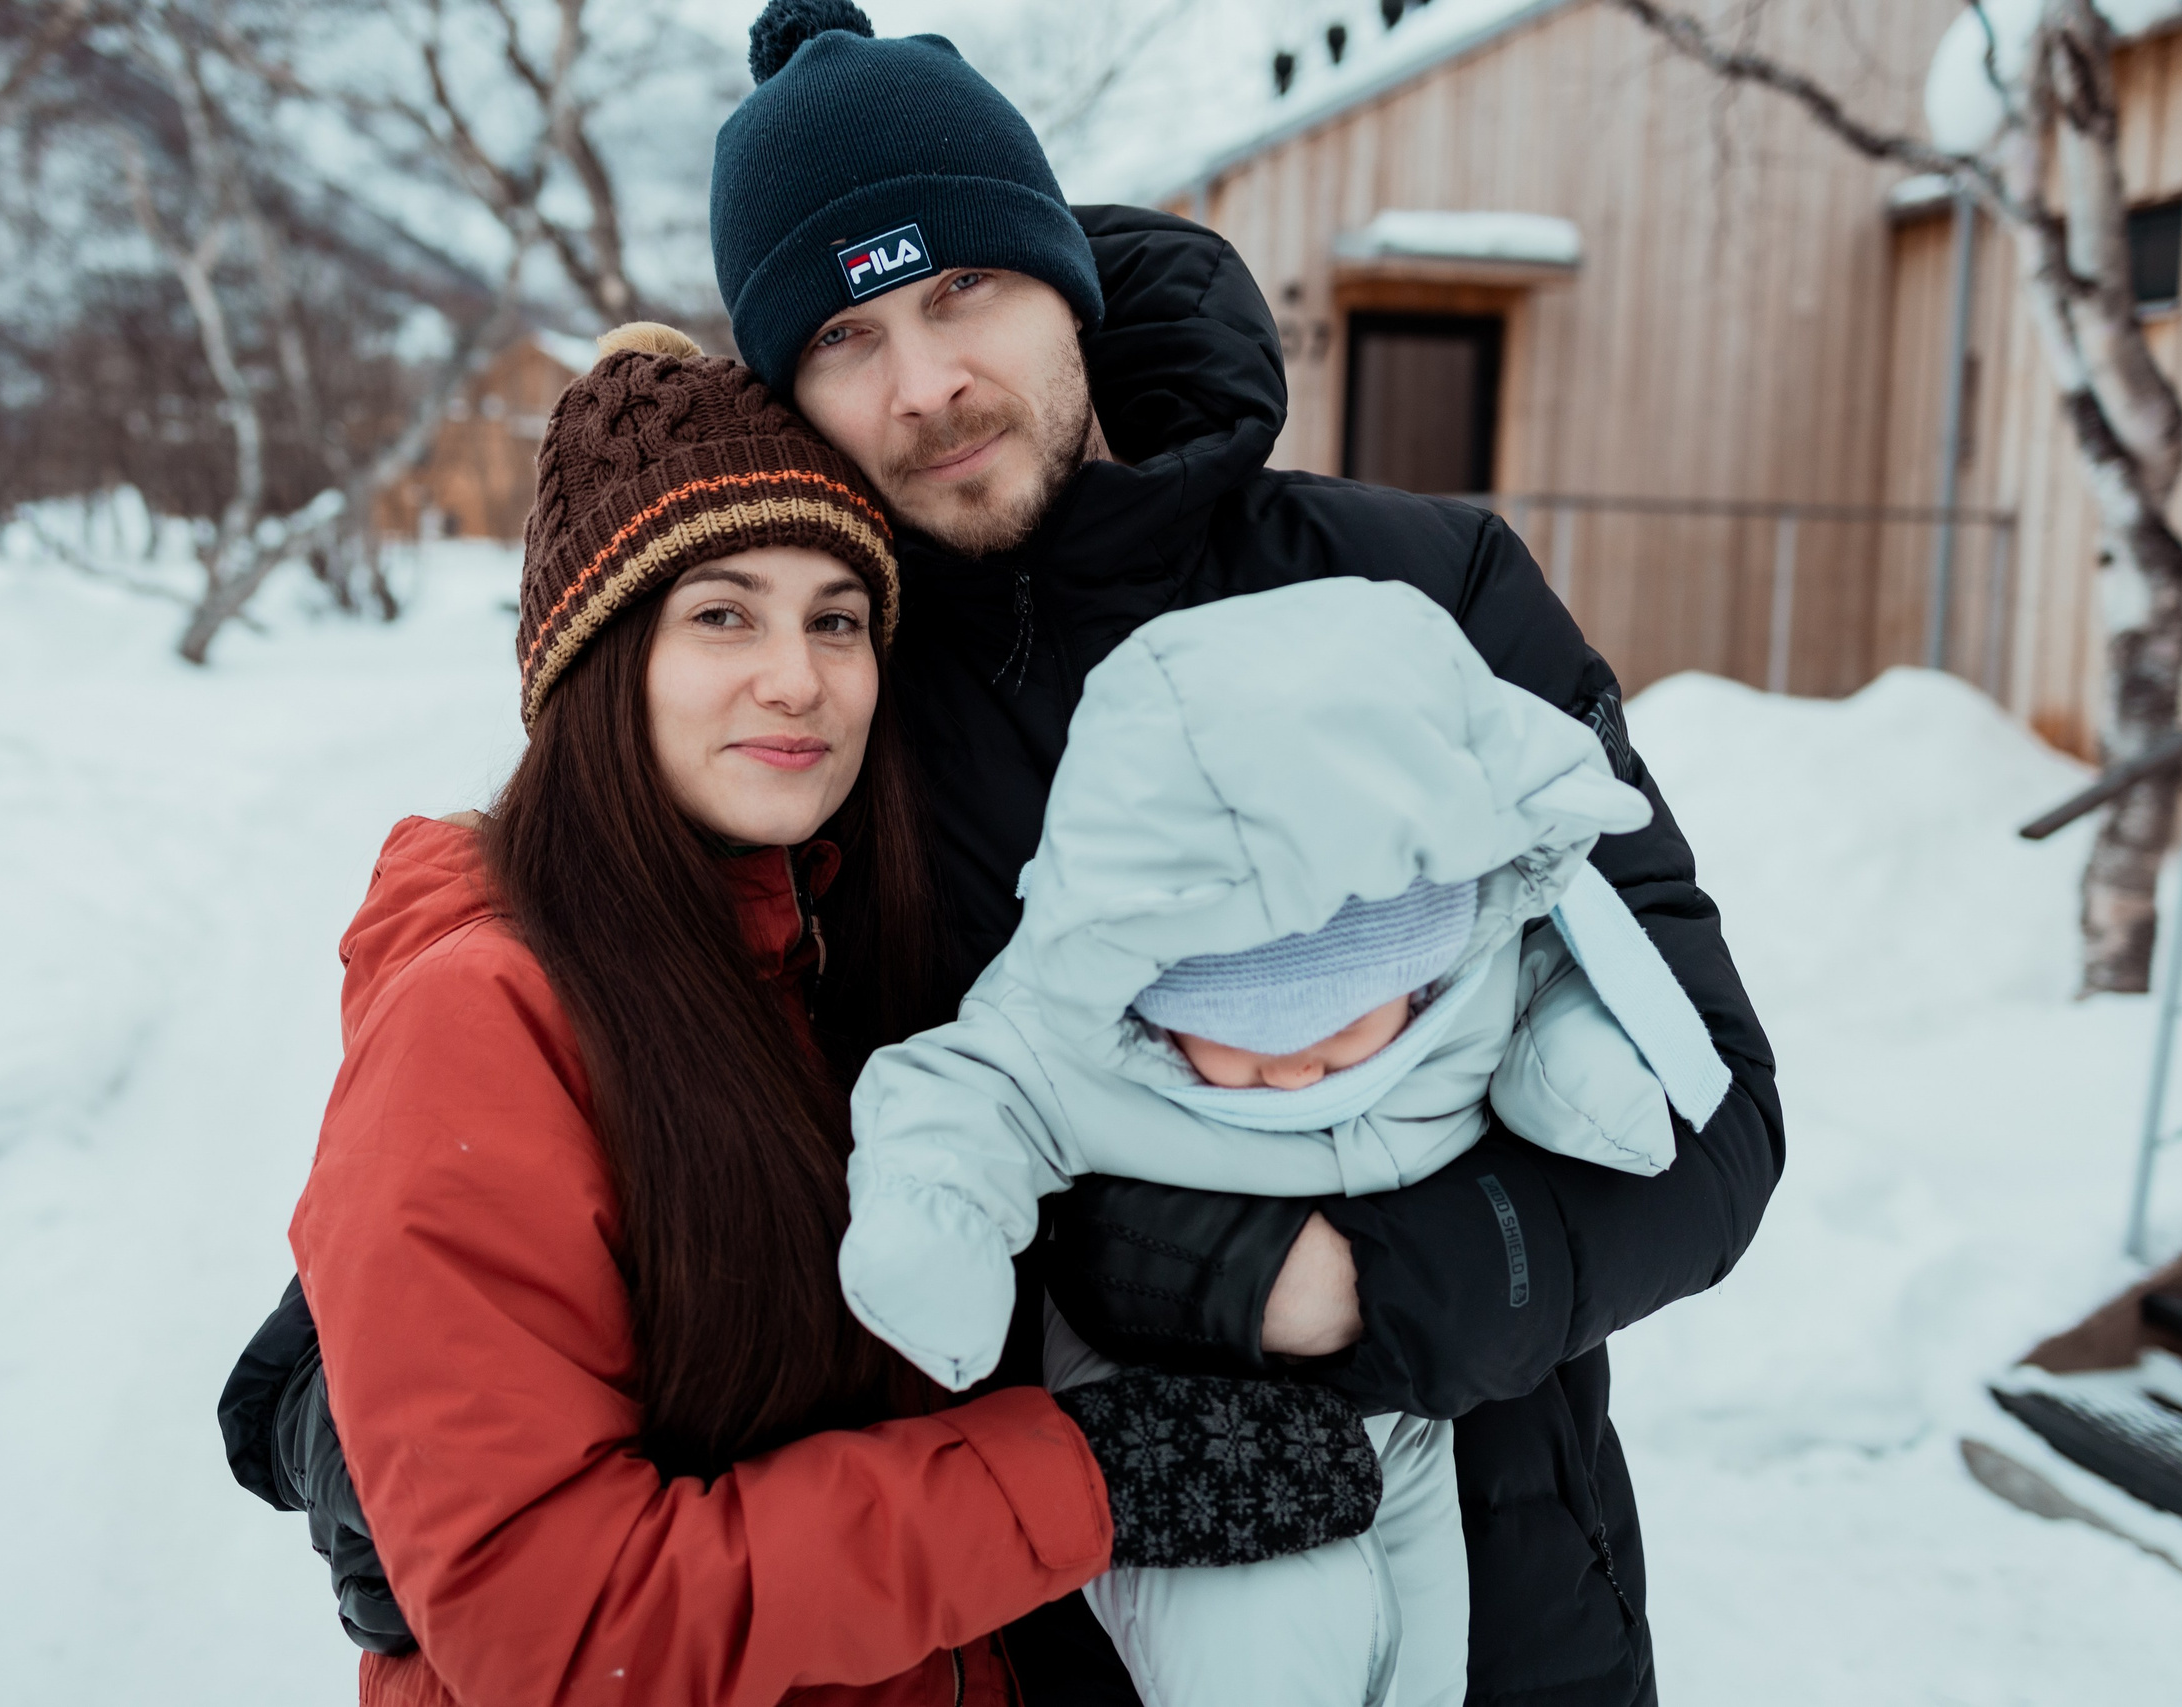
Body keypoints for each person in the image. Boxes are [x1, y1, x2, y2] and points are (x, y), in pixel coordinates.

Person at [244, 5, 1784, 1702]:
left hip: (1504, 1595)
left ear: (1060, 269)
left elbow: (1706, 1120)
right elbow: (626, 1011)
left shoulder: (1414, 591)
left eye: (959, 290)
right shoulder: (837, 704)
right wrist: (329, 1380)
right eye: (844, 336)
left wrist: (1316, 1287)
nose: (924, 384)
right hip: (1036, 1633)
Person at [251, 322, 1390, 1707]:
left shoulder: (823, 954)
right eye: (723, 612)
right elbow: (566, 1628)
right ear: (601, 662)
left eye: (835, 618)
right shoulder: (488, 1009)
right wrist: (1076, 1477)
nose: (796, 676)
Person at [839, 578, 1735, 1707]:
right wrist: (935, 1231)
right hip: (1173, 1406)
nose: (1299, 1067)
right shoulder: (1087, 1019)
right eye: (1245, 1041)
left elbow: (1565, 988)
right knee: (1255, 1637)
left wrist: (1580, 1078)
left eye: (1340, 1022)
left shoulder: (1467, 968)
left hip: (1415, 1407)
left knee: (1424, 1655)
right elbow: (965, 1097)